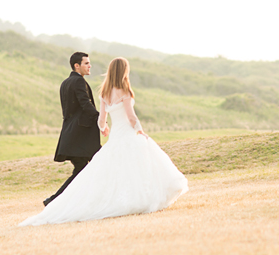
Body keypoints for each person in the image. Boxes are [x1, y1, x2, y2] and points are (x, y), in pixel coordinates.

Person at [20, 57, 188, 226]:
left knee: (114, 169)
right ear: (124, 71)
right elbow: (131, 116)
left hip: (115, 135)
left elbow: (101, 119)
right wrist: (140, 130)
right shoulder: (125, 91)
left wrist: (104, 128)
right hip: (128, 133)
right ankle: (139, 197)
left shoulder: (104, 93)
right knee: (139, 163)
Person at [43, 51, 102, 206]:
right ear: (77, 66)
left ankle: (55, 200)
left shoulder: (65, 83)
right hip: (80, 138)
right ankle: (55, 200)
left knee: (82, 170)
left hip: (71, 136)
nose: (90, 66)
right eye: (86, 63)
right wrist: (101, 118)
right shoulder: (78, 82)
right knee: (98, 163)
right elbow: (85, 105)